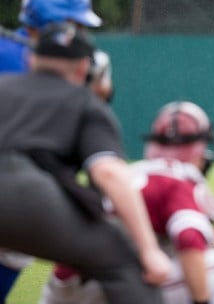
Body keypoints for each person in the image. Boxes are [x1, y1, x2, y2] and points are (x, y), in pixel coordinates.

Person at [0, 15, 172, 302]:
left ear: (31, 59)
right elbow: (109, 174)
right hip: (24, 195)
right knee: (126, 264)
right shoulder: (84, 103)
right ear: (83, 68)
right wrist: (149, 250)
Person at [39, 101, 214, 304]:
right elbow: (188, 238)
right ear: (198, 147)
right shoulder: (180, 179)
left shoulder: (133, 172)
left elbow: (167, 211)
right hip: (104, 289)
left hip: (66, 285)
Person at [0, 0, 120, 303]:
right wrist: (93, 81)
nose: (81, 32)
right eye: (76, 23)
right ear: (56, 22)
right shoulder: (46, 65)